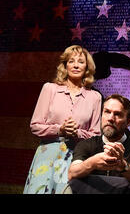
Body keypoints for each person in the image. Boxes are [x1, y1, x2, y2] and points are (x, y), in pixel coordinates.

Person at [23, 45, 102, 194]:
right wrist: (60, 130)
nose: (76, 65)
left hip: (76, 158)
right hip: (47, 156)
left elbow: (96, 135)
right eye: (71, 61)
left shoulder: (95, 97)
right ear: (65, 65)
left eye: (81, 61)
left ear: (87, 67)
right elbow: (35, 125)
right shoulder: (50, 89)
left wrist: (77, 133)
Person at [68, 94, 130, 193]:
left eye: (118, 114)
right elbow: (72, 174)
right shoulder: (86, 144)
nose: (110, 118)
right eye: (107, 112)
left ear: (128, 122)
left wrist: (123, 166)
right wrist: (93, 162)